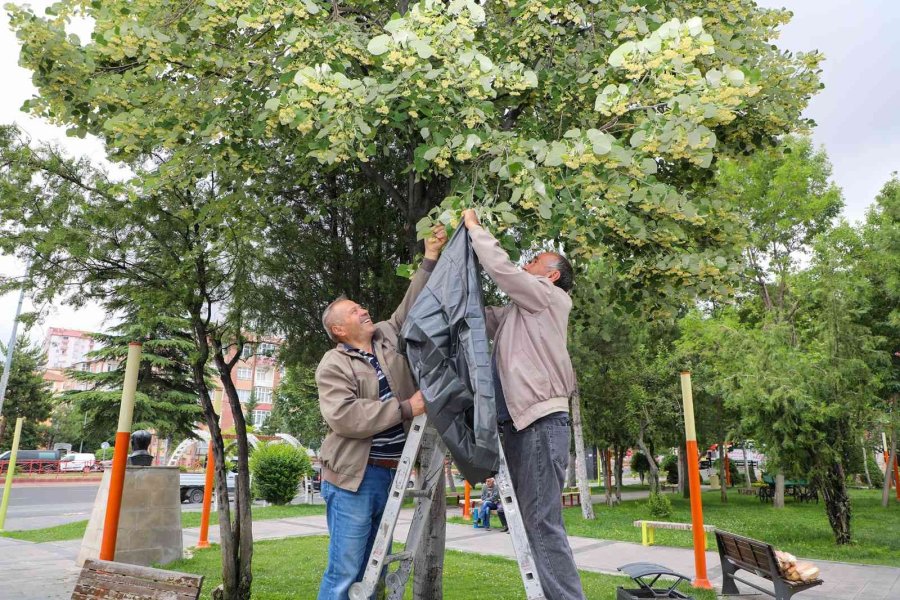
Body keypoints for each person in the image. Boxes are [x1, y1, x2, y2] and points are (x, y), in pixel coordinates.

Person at [315, 226, 447, 600]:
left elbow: (411, 304)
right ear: (339, 329)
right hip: (353, 480)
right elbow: (344, 417)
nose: (364, 310)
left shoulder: (387, 337)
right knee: (346, 572)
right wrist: (406, 408)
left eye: (362, 307)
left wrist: (431, 256)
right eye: (356, 311)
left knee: (373, 572)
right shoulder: (334, 364)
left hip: (390, 474)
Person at [462, 208, 585, 599]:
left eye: (534, 261)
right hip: (519, 424)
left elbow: (505, 272)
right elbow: (480, 319)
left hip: (539, 422)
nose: (526, 264)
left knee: (541, 522)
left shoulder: (550, 298)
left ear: (551, 275)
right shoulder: (523, 311)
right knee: (534, 522)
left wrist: (475, 230)